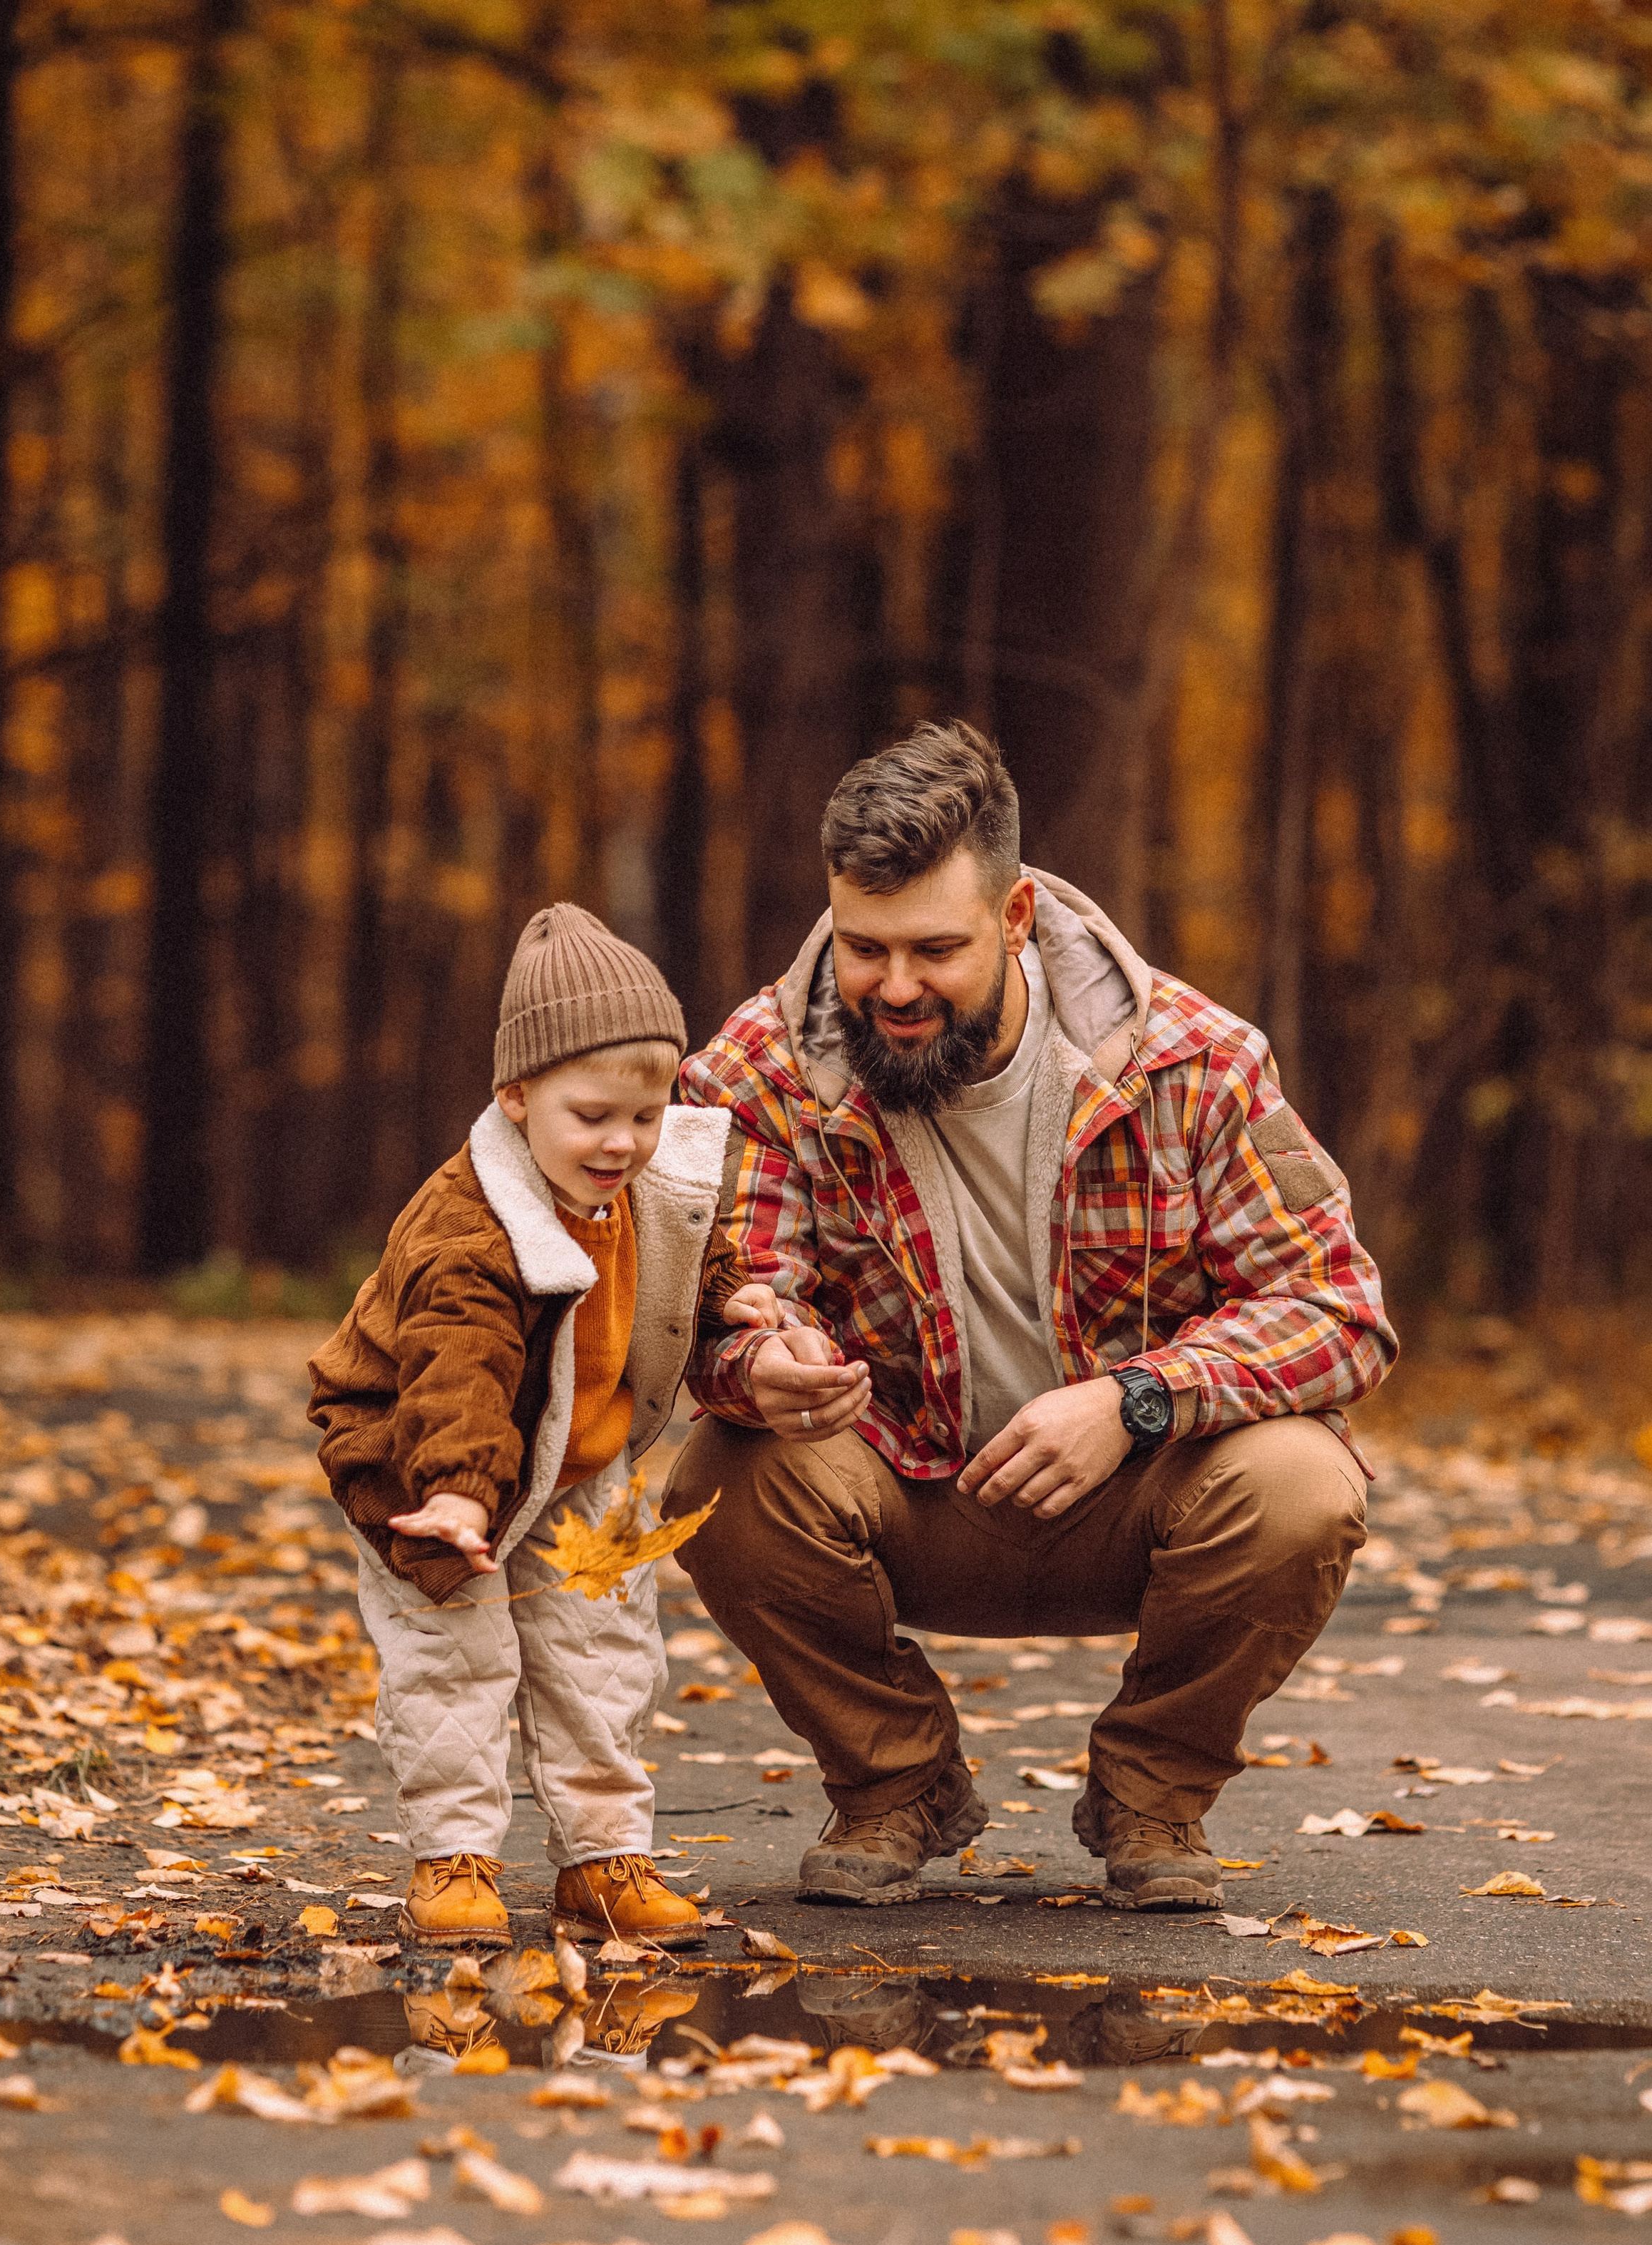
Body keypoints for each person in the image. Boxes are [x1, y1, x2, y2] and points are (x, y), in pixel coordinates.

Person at [665, 720, 1397, 1911]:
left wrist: (1136, 1401)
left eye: (936, 949)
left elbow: (1338, 1311)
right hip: (898, 1495)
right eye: (864, 949)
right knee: (717, 1476)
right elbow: (708, 1309)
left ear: (1014, 919)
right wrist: (759, 1362)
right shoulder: (756, 1074)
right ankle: (895, 1786)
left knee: (1304, 1486)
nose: (895, 987)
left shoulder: (1195, 1063)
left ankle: (1152, 1797)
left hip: (1140, 1500)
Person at [307, 903, 789, 1951]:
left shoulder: (638, 1180)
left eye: (646, 1116)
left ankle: (602, 1858)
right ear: (516, 1096)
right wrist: (454, 1493)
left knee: (603, 1653)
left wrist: (726, 1296)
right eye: (593, 1116)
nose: (623, 1142)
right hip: (426, 1463)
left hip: (575, 1454)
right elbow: (459, 1368)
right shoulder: (469, 1232)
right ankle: (453, 1858)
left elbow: (684, 1242)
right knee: (455, 1657)